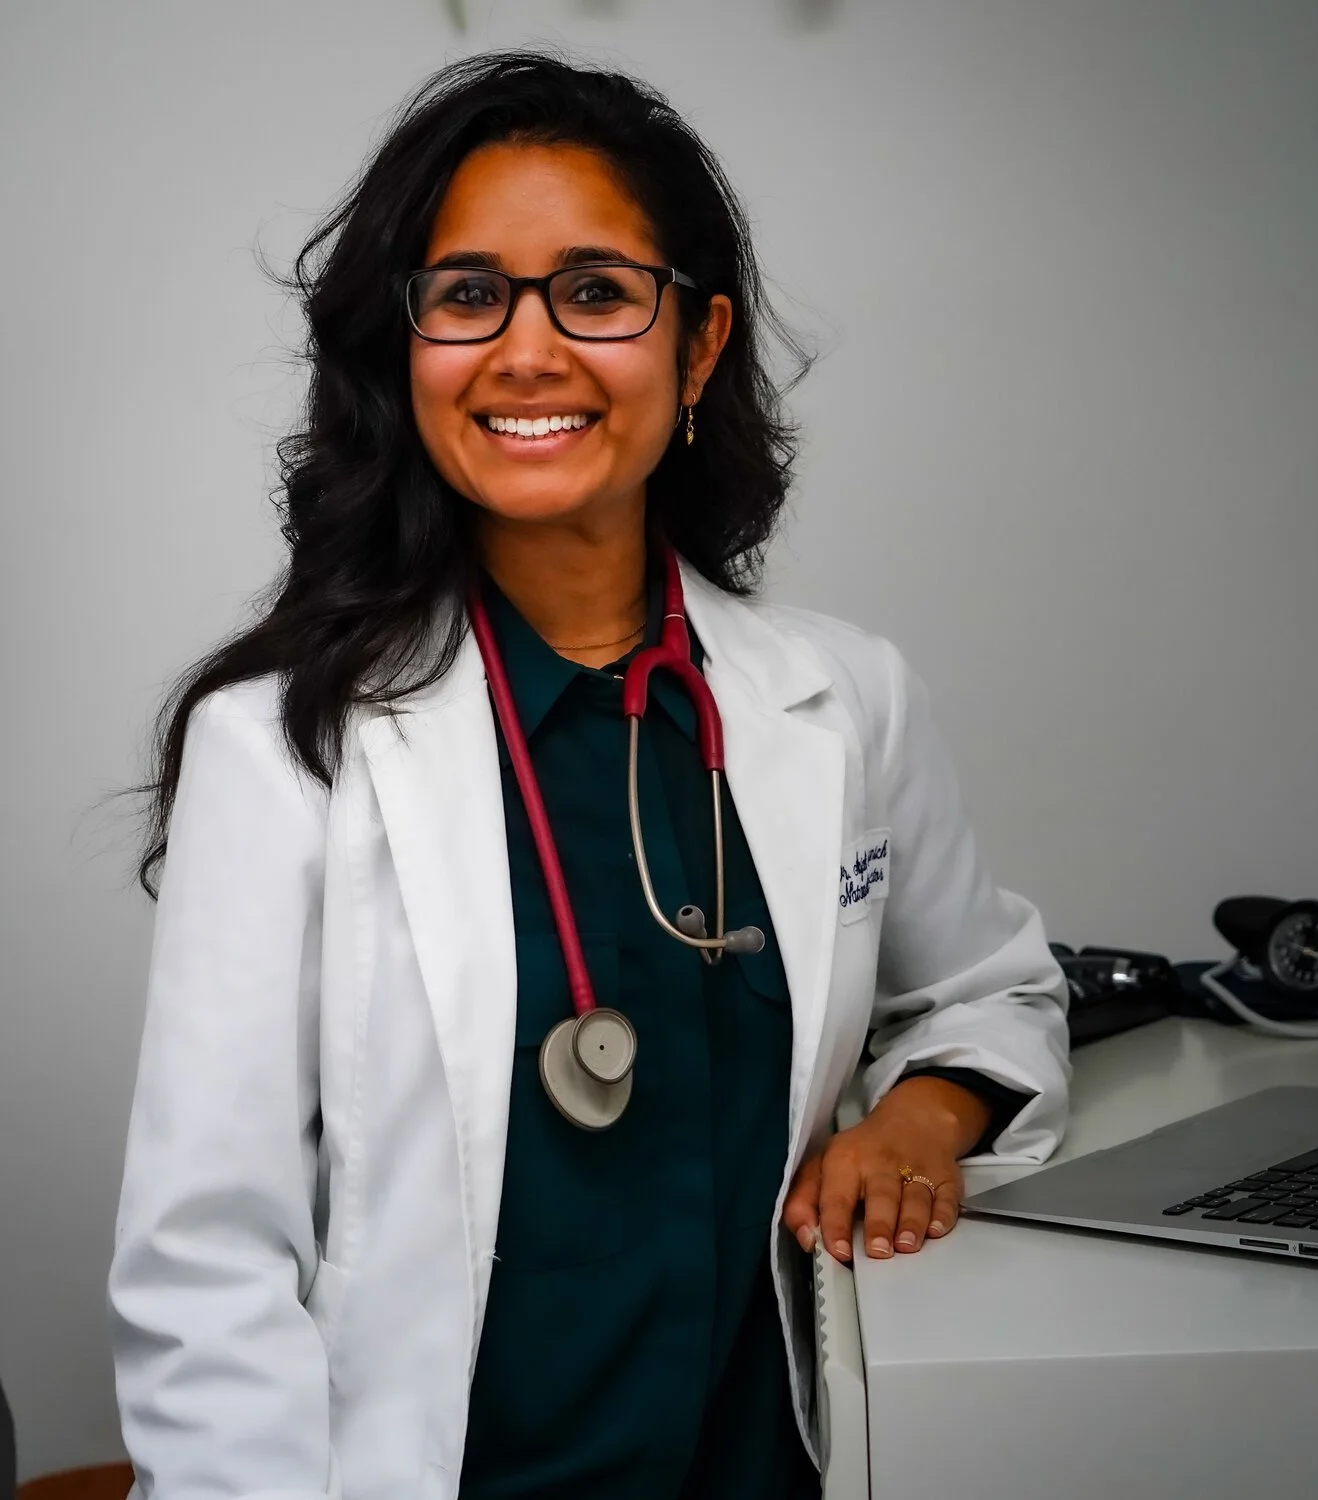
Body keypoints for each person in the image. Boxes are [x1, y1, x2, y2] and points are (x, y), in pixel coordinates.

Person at [108, 50, 1070, 1500]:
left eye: (597, 292)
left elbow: (994, 994)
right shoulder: (284, 747)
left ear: (698, 345)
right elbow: (206, 1263)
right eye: (467, 295)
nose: (528, 351)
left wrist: (923, 1117)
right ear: (404, 350)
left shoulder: (841, 698)